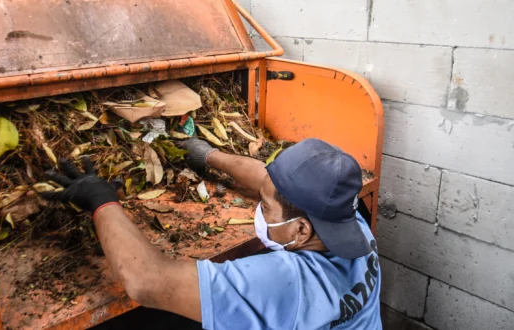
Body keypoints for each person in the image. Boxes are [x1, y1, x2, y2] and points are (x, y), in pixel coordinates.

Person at [43, 138, 381, 329]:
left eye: (265, 206)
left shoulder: (287, 283)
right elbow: (267, 178)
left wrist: (100, 199)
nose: (260, 210)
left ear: (300, 229)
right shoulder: (351, 226)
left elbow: (146, 280)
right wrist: (208, 155)